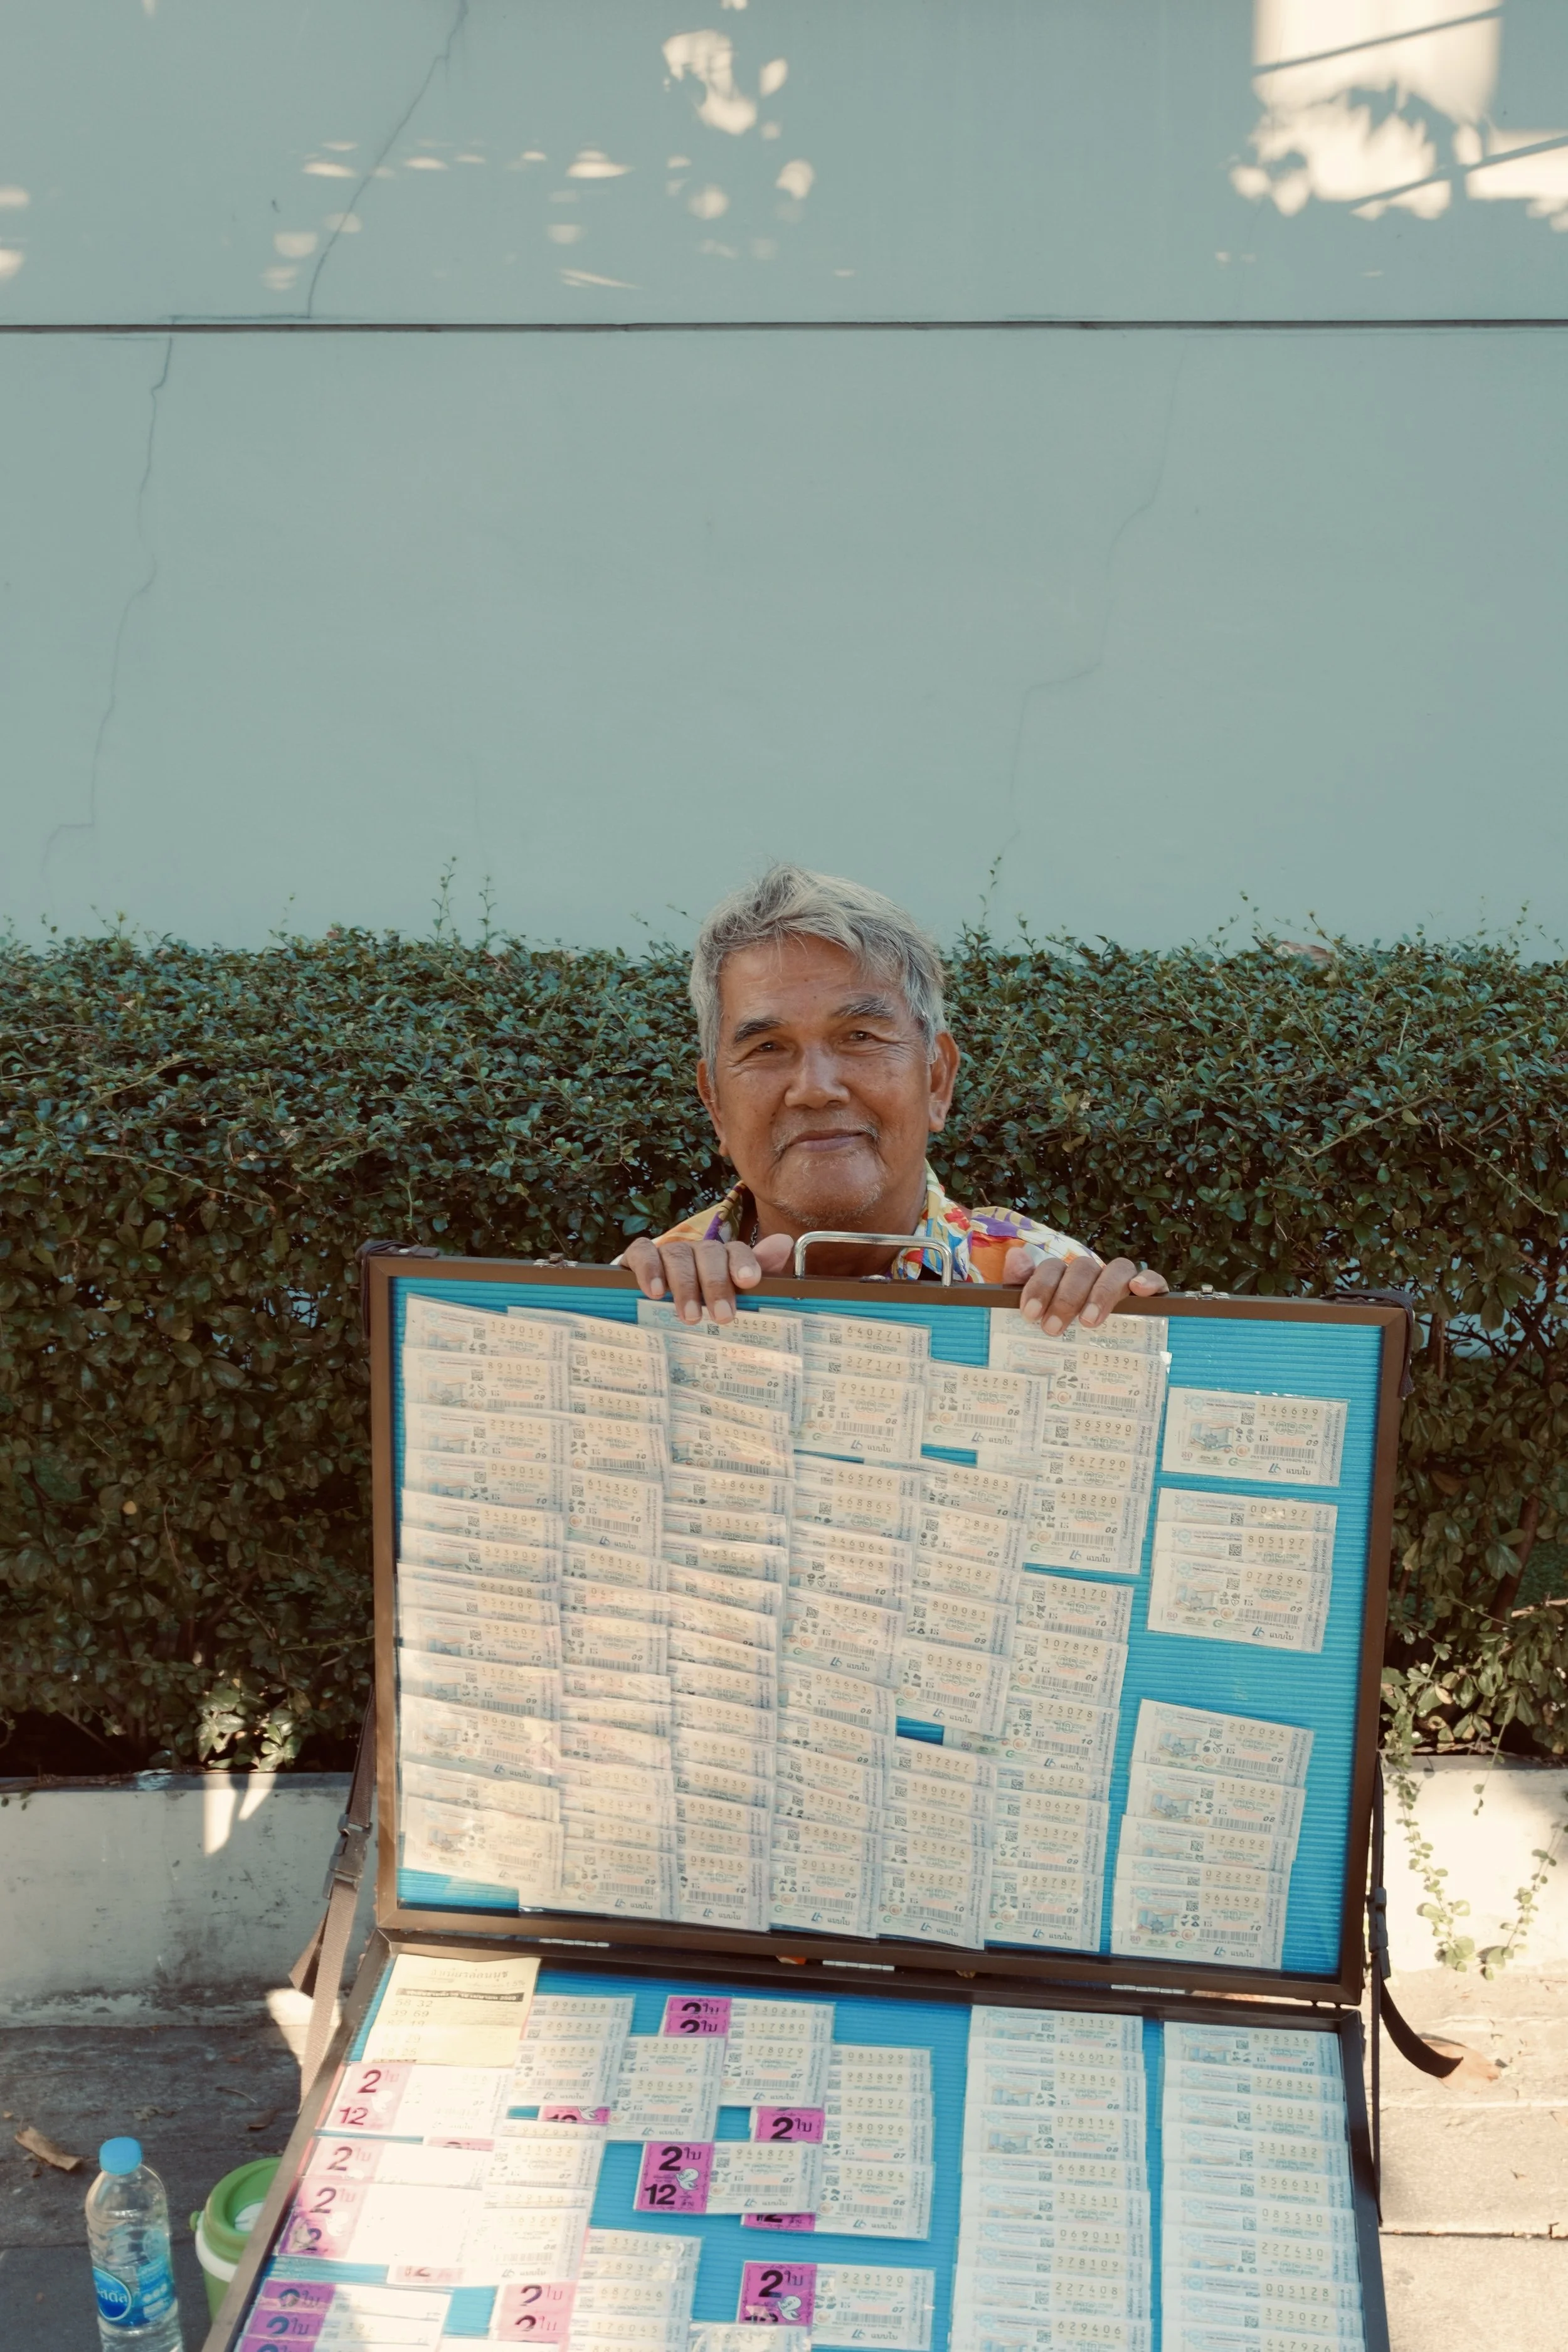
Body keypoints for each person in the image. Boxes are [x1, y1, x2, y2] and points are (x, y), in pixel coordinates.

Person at [620, 865, 1168, 1330]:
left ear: (937, 1080)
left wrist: (1130, 1342)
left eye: (860, 1037)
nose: (815, 1089)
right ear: (715, 1104)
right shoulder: (645, 1296)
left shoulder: (1047, 1286)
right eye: (767, 1047)